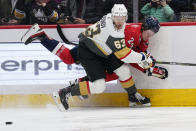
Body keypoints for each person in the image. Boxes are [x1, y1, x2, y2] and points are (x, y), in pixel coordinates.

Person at [21, 5, 165, 110]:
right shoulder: (123, 32)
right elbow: (125, 55)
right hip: (91, 49)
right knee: (102, 82)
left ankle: (41, 36)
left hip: (99, 47)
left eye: (122, 18)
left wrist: (147, 64)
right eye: (118, 17)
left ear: (126, 18)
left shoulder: (121, 26)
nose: (120, 21)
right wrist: (143, 61)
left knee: (69, 58)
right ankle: (70, 89)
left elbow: (136, 53)